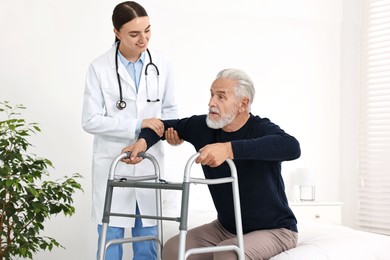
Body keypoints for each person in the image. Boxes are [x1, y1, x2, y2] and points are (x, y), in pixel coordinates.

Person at [121, 68, 301, 260]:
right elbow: (162, 126)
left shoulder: (260, 129)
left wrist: (229, 149)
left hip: (275, 230)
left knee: (227, 254)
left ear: (243, 104)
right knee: (174, 249)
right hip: (226, 228)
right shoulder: (204, 126)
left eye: (221, 97)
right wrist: (143, 142)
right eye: (212, 94)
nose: (211, 103)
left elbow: (292, 147)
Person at [81, 2, 181, 259]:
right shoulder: (99, 67)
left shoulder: (162, 63)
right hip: (113, 163)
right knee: (110, 242)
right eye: (134, 34)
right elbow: (90, 120)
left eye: (147, 31)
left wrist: (173, 133)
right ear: (117, 32)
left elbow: (169, 111)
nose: (143, 39)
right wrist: (137, 125)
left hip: (149, 164)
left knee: (147, 242)